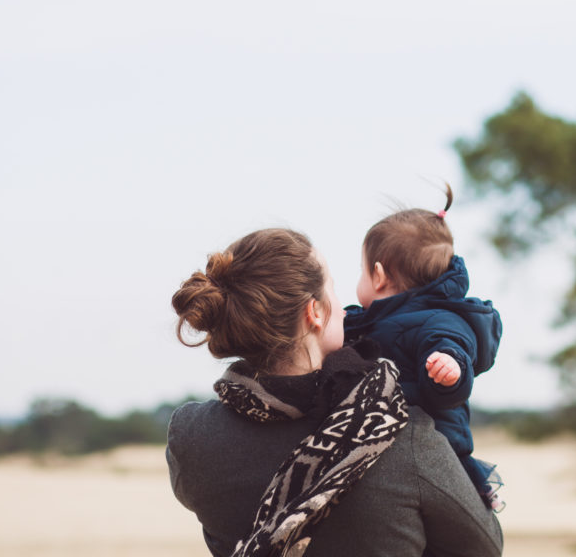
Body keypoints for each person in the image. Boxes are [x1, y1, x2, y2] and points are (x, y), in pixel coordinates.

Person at [166, 228, 503, 557]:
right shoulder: (402, 432)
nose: (345, 308)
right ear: (314, 313)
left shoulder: (191, 436)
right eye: (333, 289)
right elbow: (485, 547)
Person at [344, 185, 504, 510]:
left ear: (378, 275)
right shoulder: (374, 320)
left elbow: (452, 346)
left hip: (436, 449)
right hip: (388, 443)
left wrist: (450, 369)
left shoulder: (440, 320)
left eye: (361, 270)